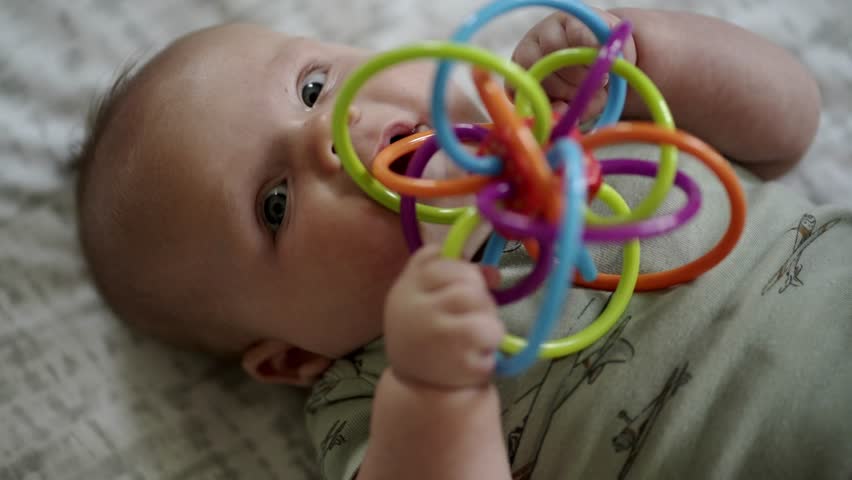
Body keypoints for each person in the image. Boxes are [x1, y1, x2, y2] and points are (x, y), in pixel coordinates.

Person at [72, 3, 852, 479]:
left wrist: (647, 49)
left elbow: (789, 126)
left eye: (314, 88)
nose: (330, 141)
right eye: (275, 205)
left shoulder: (577, 125)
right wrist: (437, 394)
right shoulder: (373, 397)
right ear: (294, 358)